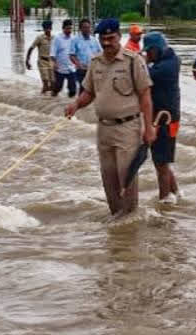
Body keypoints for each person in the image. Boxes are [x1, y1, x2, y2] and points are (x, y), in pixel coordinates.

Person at [65, 19, 155, 216]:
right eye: (103, 39)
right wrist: (76, 105)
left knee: (126, 175)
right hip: (104, 129)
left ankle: (130, 217)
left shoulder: (133, 61)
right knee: (108, 177)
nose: (107, 42)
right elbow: (89, 93)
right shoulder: (95, 62)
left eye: (111, 38)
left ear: (119, 37)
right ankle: (116, 218)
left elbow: (145, 95)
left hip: (128, 127)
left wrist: (149, 128)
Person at [143, 31, 181, 203]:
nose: (148, 55)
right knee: (162, 161)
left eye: (149, 52)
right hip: (165, 117)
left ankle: (165, 201)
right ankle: (176, 194)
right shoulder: (169, 60)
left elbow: (144, 77)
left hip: (165, 119)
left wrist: (142, 63)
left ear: (156, 49)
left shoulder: (166, 66)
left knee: (161, 163)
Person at [69, 18, 101, 94]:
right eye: (84, 27)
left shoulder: (94, 40)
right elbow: (71, 55)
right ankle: (80, 100)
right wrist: (78, 64)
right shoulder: (75, 40)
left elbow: (100, 53)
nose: (87, 29)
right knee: (83, 88)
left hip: (93, 68)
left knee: (93, 88)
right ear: (80, 29)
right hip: (81, 69)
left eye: (88, 27)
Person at [25, 20, 55, 94]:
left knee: (53, 84)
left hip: (51, 62)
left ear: (51, 28)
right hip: (42, 62)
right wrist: (27, 61)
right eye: (46, 28)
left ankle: (48, 98)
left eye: (49, 27)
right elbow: (31, 48)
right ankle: (41, 96)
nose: (48, 29)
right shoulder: (39, 38)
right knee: (46, 83)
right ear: (43, 29)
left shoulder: (54, 38)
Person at [51, 19, 77, 97]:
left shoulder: (74, 39)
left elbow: (76, 52)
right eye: (67, 28)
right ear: (63, 28)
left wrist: (78, 63)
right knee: (58, 88)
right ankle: (52, 99)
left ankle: (69, 102)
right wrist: (55, 63)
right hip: (60, 68)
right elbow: (52, 53)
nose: (69, 30)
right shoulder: (57, 38)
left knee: (73, 90)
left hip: (71, 68)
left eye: (70, 28)